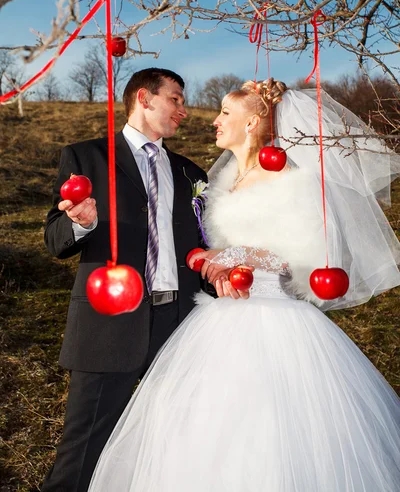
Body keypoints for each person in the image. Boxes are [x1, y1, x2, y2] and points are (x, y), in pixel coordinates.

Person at [89, 78, 400, 492]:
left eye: (224, 113)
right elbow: (212, 244)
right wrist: (210, 260)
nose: (214, 120)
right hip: (219, 316)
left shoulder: (289, 175)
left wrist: (235, 257)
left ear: (253, 122)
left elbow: (301, 255)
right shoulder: (222, 180)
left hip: (273, 318)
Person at [42, 68, 207, 492]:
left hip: (180, 321)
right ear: (144, 98)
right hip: (110, 318)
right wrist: (80, 223)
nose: (183, 111)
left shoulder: (190, 171)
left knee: (173, 438)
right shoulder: (86, 157)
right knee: (84, 446)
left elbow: (201, 241)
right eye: (176, 99)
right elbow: (55, 241)